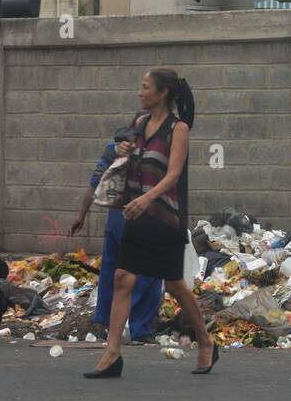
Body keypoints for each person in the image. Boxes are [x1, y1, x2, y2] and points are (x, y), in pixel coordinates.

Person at [85, 68, 217, 378]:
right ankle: (112, 354)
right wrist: (123, 151)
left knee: (174, 286)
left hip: (164, 219)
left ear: (163, 93)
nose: (139, 93)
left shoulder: (178, 129)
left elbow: (173, 173)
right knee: (122, 278)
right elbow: (131, 160)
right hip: (136, 215)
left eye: (145, 88)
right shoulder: (139, 124)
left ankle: (206, 341)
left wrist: (147, 199)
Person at [70, 123, 165, 342]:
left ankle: (105, 321)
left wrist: (80, 215)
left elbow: (93, 185)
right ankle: (140, 329)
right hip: (139, 217)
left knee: (112, 271)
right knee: (148, 273)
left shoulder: (110, 150)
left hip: (114, 220)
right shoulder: (148, 153)